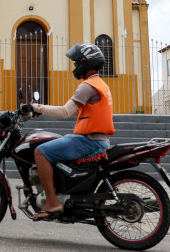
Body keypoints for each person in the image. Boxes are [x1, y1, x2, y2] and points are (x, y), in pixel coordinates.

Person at [29, 42, 114, 220]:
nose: (74, 66)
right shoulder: (101, 85)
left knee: (40, 152)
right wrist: (42, 110)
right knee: (60, 143)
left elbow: (65, 112)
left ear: (85, 62)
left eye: (76, 62)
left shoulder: (87, 86)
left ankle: (52, 202)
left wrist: (37, 107)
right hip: (98, 140)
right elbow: (75, 111)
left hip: (88, 141)